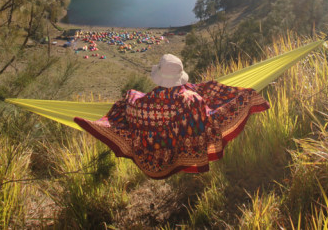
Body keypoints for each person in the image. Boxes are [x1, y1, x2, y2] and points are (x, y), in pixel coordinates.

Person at [74, 54, 270, 179]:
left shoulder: (139, 104)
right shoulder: (192, 100)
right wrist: (244, 97)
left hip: (149, 159)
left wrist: (130, 97)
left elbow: (125, 107)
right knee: (211, 98)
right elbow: (205, 115)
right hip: (182, 138)